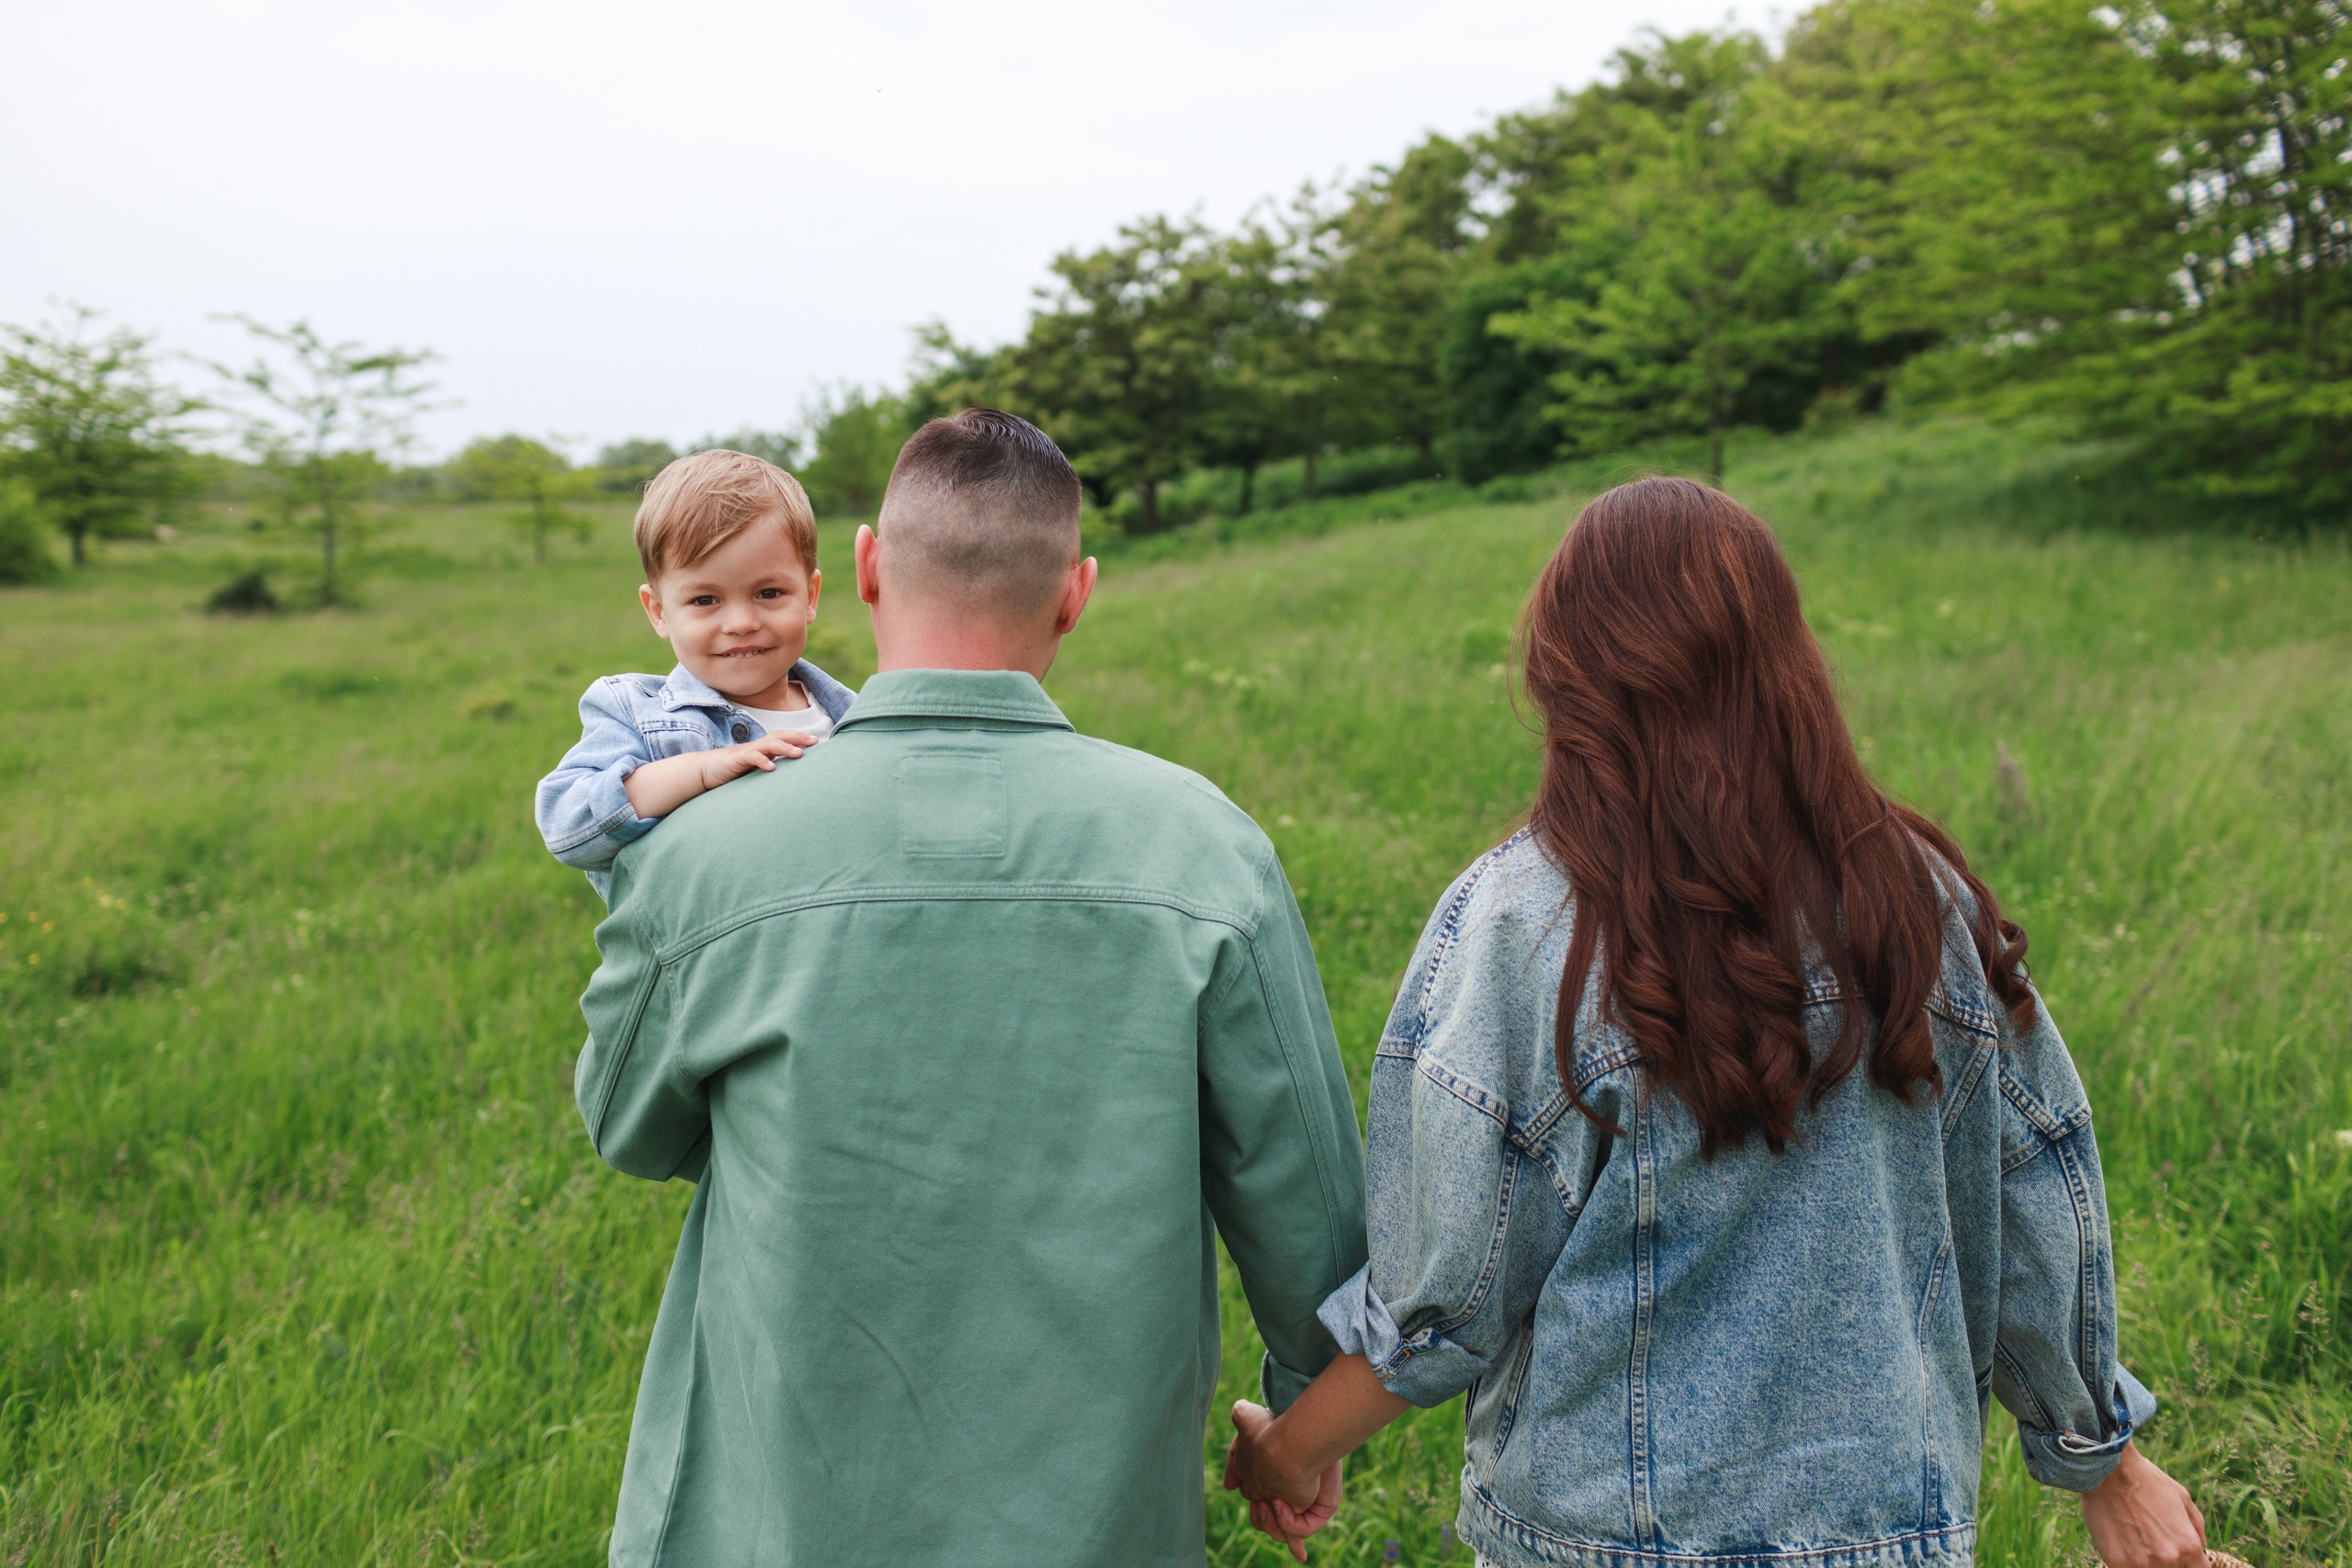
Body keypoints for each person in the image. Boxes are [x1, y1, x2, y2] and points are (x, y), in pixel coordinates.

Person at [1223, 478, 2209, 1568]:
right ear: (1785, 663)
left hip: (1595, 1541)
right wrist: (2099, 1459)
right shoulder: (1914, 899)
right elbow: (2031, 1194)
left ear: (1568, 676)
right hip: (1885, 1535)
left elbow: (1442, 1305)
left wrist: (1284, 1452)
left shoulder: (1518, 922)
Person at [573, 408, 1368, 1566]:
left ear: (861, 570)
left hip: (778, 1509)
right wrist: (1302, 1426)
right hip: (1092, 1511)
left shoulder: (700, 846)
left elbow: (632, 1132)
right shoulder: (1202, 845)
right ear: (1075, 592)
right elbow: (1298, 1185)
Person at [535, 447, 855, 902]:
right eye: (705, 600)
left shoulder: (853, 720)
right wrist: (702, 770)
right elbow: (566, 823)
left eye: (769, 592)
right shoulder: (635, 714)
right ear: (659, 612)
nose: (741, 622)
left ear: (810, 595)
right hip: (703, 966)